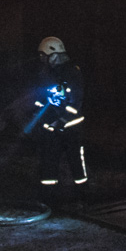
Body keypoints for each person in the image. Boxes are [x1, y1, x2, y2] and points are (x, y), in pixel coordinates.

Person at [28, 37, 88, 202]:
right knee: (48, 163)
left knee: (76, 163)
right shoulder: (46, 73)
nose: (42, 60)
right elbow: (42, 97)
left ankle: (83, 197)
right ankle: (48, 199)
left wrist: (62, 120)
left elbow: (75, 102)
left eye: (44, 56)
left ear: (53, 54)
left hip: (71, 128)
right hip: (51, 129)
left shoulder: (72, 72)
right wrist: (39, 114)